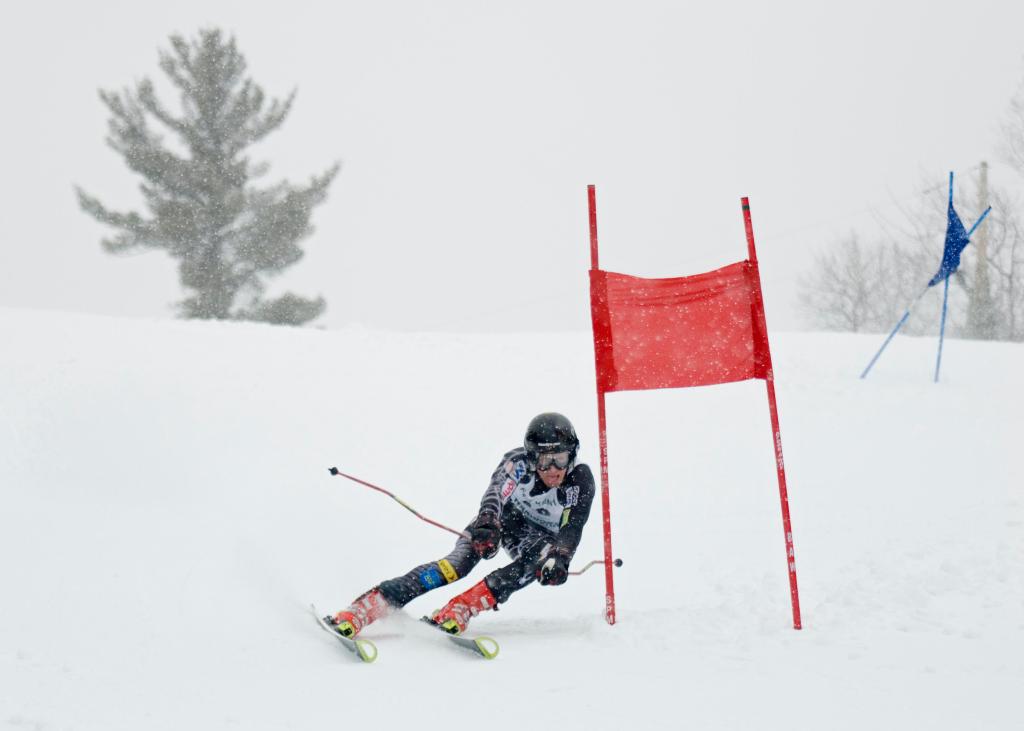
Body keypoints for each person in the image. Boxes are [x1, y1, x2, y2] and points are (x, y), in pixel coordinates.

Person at [325, 412, 595, 636]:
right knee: (455, 567)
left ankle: (463, 607)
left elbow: (573, 526)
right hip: (503, 520)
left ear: (572, 455)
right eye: (544, 461)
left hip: (538, 538)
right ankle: (369, 606)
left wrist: (561, 556)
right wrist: (487, 524)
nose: (552, 470)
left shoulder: (579, 479)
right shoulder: (518, 463)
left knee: (543, 560)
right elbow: (495, 493)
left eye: (560, 458)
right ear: (531, 457)